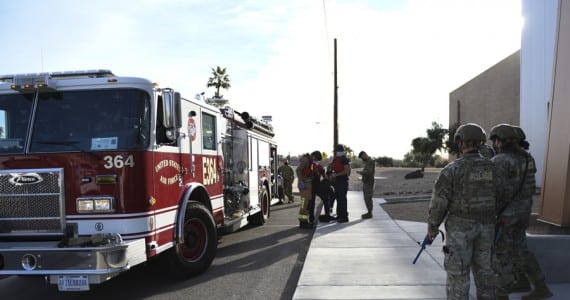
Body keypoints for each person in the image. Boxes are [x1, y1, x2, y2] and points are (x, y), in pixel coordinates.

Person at [426, 123, 501, 300]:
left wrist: (432, 228)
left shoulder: (452, 170)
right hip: (487, 228)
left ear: (461, 143)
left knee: (458, 276)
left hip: (460, 231)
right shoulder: (494, 168)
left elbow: (439, 204)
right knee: (485, 275)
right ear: (481, 143)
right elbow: (501, 195)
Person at [490, 124, 553, 300]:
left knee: (501, 253)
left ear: (500, 141)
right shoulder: (528, 158)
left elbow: (496, 191)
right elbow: (530, 187)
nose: (494, 143)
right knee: (521, 250)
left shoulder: (499, 161)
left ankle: (501, 294)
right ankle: (539, 286)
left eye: (495, 140)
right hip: (524, 212)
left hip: (506, 216)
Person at [329, 144, 351, 223]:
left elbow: (347, 171)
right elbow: (333, 168)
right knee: (338, 199)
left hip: (342, 181)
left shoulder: (344, 159)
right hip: (337, 181)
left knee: (342, 199)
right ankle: (339, 215)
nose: (336, 153)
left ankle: (344, 217)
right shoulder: (336, 159)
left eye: (337, 151)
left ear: (340, 151)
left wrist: (337, 174)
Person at [296, 153, 315, 229]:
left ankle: (304, 221)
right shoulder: (306, 160)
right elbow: (298, 170)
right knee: (304, 204)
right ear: (313, 156)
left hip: (307, 184)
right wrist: (301, 181)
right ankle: (302, 222)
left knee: (306, 204)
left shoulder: (310, 161)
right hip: (304, 185)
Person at [357, 151, 375, 219]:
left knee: (368, 198)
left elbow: (369, 172)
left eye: (362, 157)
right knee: (366, 198)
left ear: (364, 155)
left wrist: (361, 172)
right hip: (366, 182)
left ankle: (369, 213)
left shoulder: (370, 162)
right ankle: (369, 212)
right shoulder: (367, 162)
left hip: (369, 183)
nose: (362, 159)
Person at [308, 151, 325, 225]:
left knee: (312, 202)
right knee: (311, 202)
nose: (317, 161)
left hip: (315, 184)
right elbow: (311, 172)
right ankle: (311, 219)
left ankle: (311, 219)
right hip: (312, 184)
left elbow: (322, 171)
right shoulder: (310, 163)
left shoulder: (314, 164)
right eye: (317, 159)